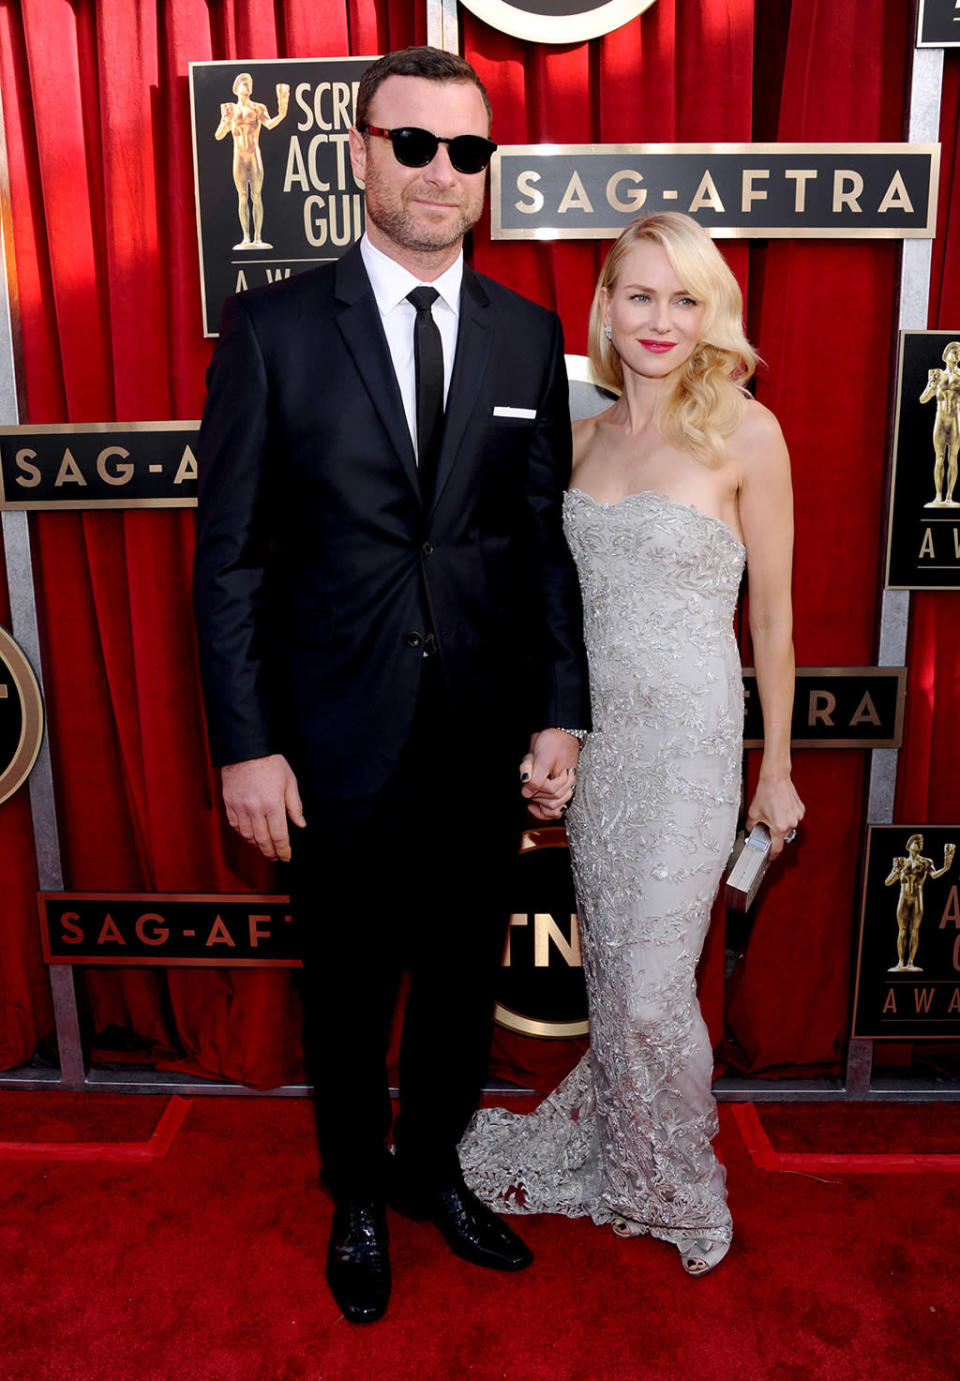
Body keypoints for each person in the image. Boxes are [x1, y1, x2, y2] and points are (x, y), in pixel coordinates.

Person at [193, 47, 590, 1325]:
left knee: (464, 983)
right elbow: (233, 557)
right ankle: (357, 1192)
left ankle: (430, 1175)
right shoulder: (274, 328)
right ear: (359, 153)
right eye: (411, 144)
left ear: (489, 172)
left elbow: (541, 544)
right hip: (331, 736)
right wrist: (246, 745)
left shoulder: (529, 336)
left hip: (480, 733)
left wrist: (561, 707)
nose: (439, 172)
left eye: (466, 152)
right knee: (353, 987)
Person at [461, 212, 804, 1278]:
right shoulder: (581, 434)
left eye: (684, 298)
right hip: (597, 749)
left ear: (712, 315)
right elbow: (546, 604)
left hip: (690, 744)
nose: (660, 319)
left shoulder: (748, 431)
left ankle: (677, 1189)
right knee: (617, 970)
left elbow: (778, 623)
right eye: (640, 295)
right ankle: (624, 1153)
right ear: (606, 307)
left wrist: (778, 767)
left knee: (656, 984)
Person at [215, 72, 290, 250]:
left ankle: (258, 237)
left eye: (249, 82)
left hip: (254, 155)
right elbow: (218, 135)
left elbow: (269, 124)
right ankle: (246, 238)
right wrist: (224, 121)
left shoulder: (258, 108)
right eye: (243, 82)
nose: (247, 85)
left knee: (256, 196)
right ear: (236, 88)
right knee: (242, 196)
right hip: (239, 157)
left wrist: (283, 112)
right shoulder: (229, 109)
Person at [886, 833, 955, 972]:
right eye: (917, 842)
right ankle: (900, 962)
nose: (919, 844)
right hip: (903, 898)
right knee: (902, 930)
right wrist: (895, 871)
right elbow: (888, 882)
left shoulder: (926, 862)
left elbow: (934, 875)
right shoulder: (901, 861)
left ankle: (911, 962)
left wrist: (946, 867)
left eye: (921, 842)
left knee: (915, 930)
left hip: (917, 897)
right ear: (909, 845)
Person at [919, 341, 960, 508]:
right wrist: (931, 386)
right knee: (939, 458)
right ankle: (938, 496)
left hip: (956, 420)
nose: (958, 355)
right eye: (955, 351)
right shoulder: (938, 376)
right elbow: (923, 399)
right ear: (947, 355)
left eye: (959, 352)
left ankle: (950, 496)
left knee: (953, 458)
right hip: (940, 420)